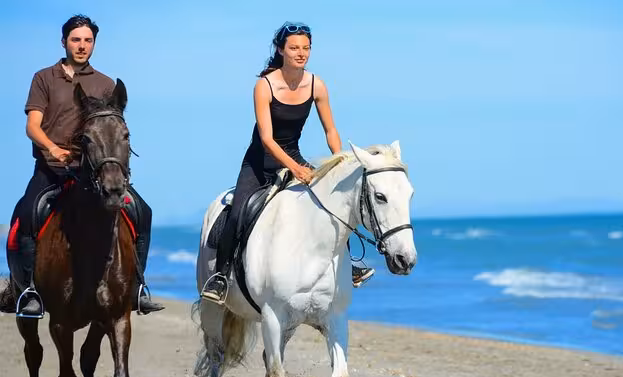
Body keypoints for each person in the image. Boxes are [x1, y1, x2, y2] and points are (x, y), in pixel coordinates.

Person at [201, 21, 374, 304]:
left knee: (333, 201)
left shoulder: (317, 84)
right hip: (259, 161)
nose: (301, 53)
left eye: (306, 48)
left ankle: (348, 265)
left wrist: (340, 161)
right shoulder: (265, 85)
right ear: (281, 50)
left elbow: (330, 129)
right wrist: (294, 169)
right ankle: (220, 276)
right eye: (294, 48)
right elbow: (267, 139)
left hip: (293, 155)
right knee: (238, 211)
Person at [7, 14, 163, 317]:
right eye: (76, 40)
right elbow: (32, 126)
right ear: (64, 42)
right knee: (26, 215)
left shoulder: (105, 84)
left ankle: (136, 288)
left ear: (94, 44)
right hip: (51, 169)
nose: (81, 46)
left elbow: (113, 127)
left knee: (142, 212)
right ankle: (26, 290)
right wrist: (53, 148)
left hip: (93, 173)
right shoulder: (44, 78)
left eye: (88, 40)